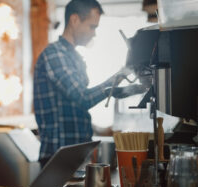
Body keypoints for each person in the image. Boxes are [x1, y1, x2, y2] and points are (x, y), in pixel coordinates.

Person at [33, 0, 145, 166]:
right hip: (58, 155)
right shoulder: (54, 54)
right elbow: (83, 98)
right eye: (92, 27)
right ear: (75, 20)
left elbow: (73, 109)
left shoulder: (74, 57)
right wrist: (118, 78)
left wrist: (137, 87)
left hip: (75, 152)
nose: (94, 33)